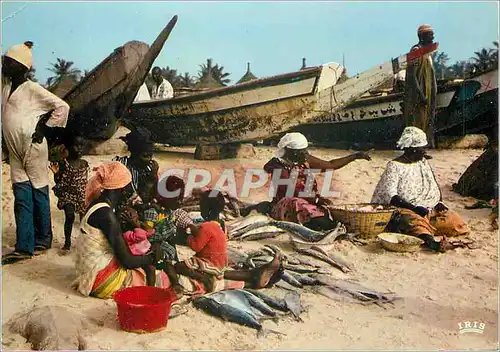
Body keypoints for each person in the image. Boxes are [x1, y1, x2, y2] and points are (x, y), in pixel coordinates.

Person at [73, 162, 282, 299]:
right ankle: (246, 281)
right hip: (103, 280)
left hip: (94, 272)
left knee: (173, 271)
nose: (129, 191)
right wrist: (152, 258)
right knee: (179, 280)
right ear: (118, 188)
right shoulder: (106, 215)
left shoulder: (99, 206)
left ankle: (250, 275)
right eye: (127, 186)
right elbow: (127, 261)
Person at [2, 42, 70, 264]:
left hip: (33, 148)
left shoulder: (32, 89)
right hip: (15, 150)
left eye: (9, 62)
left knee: (38, 192)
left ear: (22, 68)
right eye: (5, 60)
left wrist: (44, 129)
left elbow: (62, 107)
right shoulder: (5, 86)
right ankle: (26, 245)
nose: (4, 64)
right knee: (22, 194)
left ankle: (42, 239)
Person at [242, 132, 371, 230]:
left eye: (305, 150)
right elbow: (291, 190)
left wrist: (355, 156)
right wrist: (316, 200)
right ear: (288, 151)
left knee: (324, 211)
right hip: (286, 205)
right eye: (301, 151)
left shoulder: (304, 159)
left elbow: (330, 165)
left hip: (309, 201)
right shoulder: (277, 166)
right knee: (296, 203)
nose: (305, 153)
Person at [371, 127, 469, 252]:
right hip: (405, 209)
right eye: (422, 148)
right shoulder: (394, 166)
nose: (425, 151)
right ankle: (432, 243)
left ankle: (426, 229)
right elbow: (391, 196)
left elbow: (433, 184)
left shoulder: (422, 162)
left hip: (428, 209)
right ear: (412, 149)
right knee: (413, 223)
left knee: (456, 222)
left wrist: (439, 202)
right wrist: (414, 208)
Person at [50, 134, 89, 254]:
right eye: (76, 146)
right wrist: (56, 174)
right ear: (68, 148)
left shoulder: (84, 163)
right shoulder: (64, 163)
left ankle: (85, 243)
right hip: (67, 195)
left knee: (84, 220)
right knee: (70, 216)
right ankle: (67, 243)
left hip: (81, 195)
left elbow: (84, 182)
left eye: (82, 146)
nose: (79, 149)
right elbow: (59, 180)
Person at [403, 24, 437, 148]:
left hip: (427, 94)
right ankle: (416, 149)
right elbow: (412, 76)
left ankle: (424, 149)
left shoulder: (429, 53)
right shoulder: (416, 51)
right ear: (422, 36)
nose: (433, 37)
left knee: (426, 122)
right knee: (416, 122)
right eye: (430, 34)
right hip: (418, 95)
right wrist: (421, 95)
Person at [113, 127, 159, 207]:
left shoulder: (150, 169)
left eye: (150, 156)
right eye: (145, 155)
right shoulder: (120, 165)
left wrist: (153, 177)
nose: (149, 159)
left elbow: (150, 198)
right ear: (134, 153)